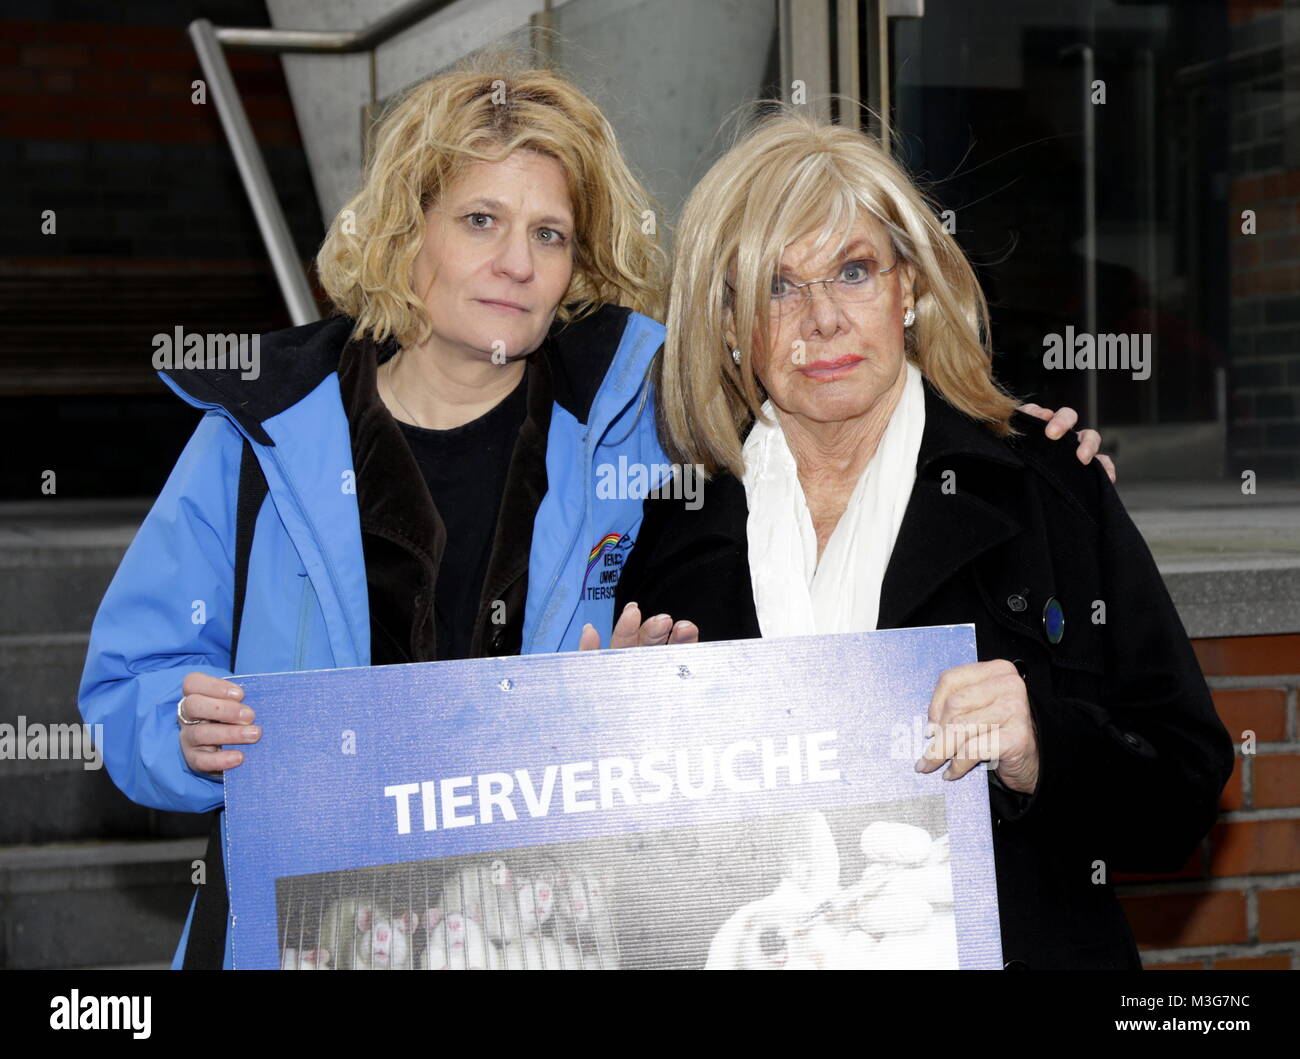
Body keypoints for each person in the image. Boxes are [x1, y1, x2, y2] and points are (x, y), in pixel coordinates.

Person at [77, 57, 694, 971]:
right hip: (306, 932)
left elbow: (731, 703)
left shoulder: (639, 441)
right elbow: (128, 684)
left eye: (551, 234)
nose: (518, 264)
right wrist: (179, 729)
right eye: (481, 220)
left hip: (542, 935)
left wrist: (663, 702)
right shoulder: (256, 439)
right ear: (409, 234)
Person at [617, 108, 1234, 969]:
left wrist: (1036, 744)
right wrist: (626, 732)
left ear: (907, 290)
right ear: (726, 324)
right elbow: (644, 863)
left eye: (854, 271)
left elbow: (1184, 789)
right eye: (777, 287)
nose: (822, 318)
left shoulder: (1044, 484)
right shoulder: (675, 528)